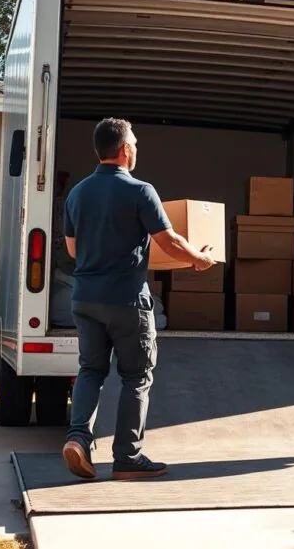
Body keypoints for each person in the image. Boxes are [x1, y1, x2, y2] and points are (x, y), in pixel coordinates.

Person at [61, 118, 216, 480]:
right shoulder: (140, 190)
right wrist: (200, 259)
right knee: (136, 376)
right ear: (125, 149)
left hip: (84, 298)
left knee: (90, 370)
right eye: (135, 143)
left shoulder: (77, 193)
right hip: (126, 300)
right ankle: (127, 458)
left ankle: (78, 438)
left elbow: (73, 249)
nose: (136, 149)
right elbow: (169, 241)